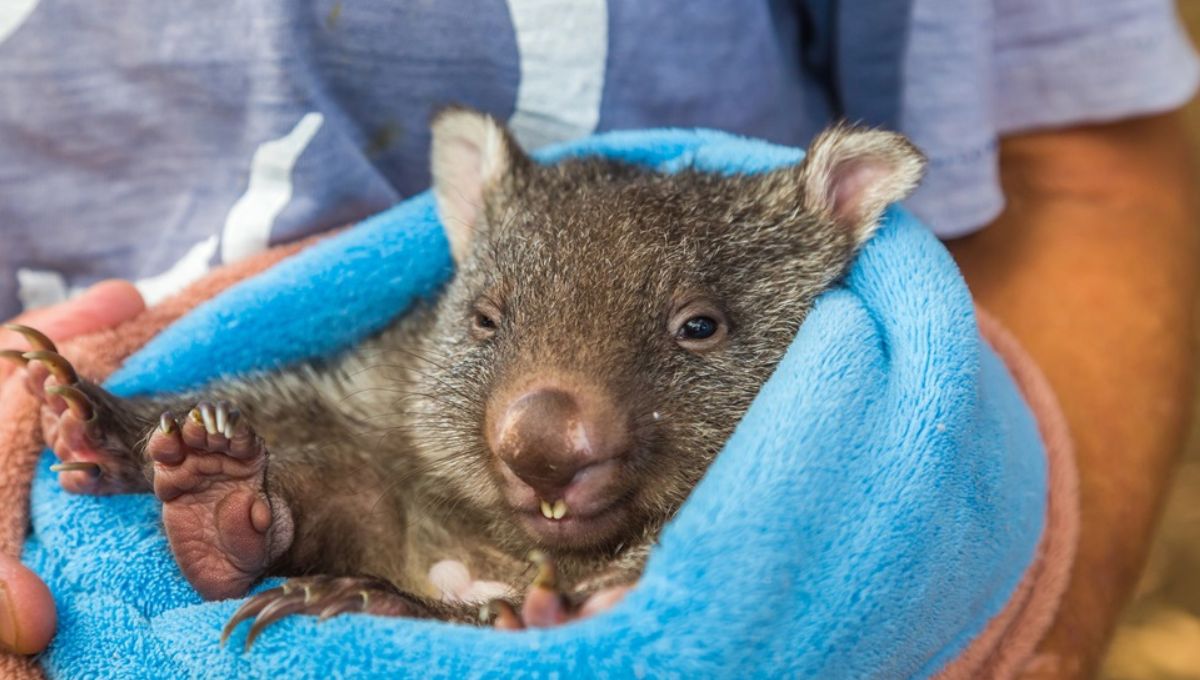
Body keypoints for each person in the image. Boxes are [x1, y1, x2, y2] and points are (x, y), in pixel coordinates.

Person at [1, 2, 1197, 675]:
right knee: (306, 436)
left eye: (692, 329)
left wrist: (1018, 629)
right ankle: (247, 509)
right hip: (362, 481)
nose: (550, 420)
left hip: (653, 554)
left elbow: (1083, 169)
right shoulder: (464, 317)